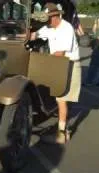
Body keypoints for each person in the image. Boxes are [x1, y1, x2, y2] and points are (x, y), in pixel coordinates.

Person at [31, 3, 81, 144]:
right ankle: (64, 129)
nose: (47, 22)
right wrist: (25, 35)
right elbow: (35, 35)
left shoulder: (66, 28)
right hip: (57, 64)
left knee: (62, 99)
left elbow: (60, 53)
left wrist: (41, 62)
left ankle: (61, 134)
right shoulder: (49, 27)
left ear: (57, 16)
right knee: (58, 98)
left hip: (69, 65)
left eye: (49, 19)